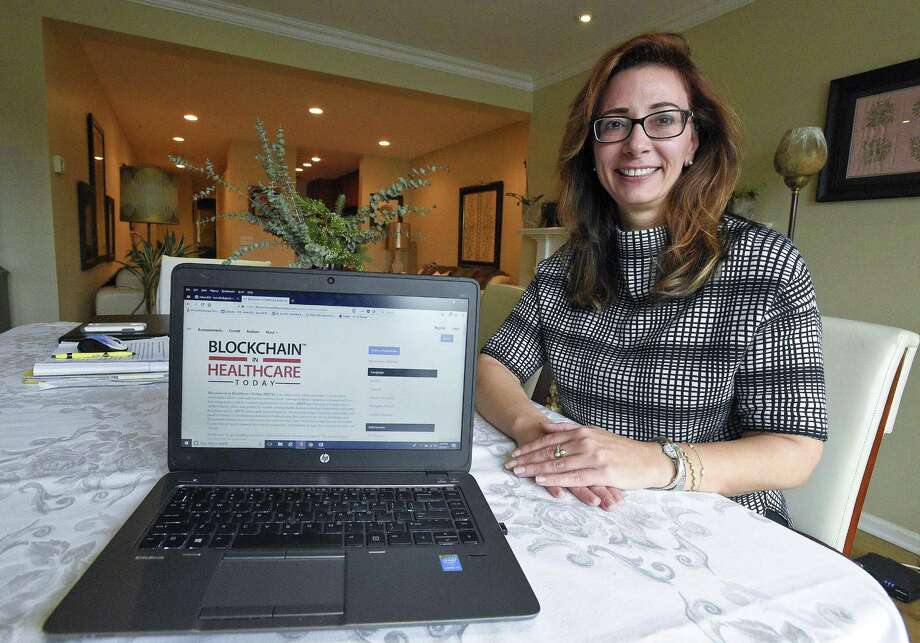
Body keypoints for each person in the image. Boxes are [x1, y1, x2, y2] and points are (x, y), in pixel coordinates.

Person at [476, 32, 827, 525]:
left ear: (693, 142)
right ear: (592, 148)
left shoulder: (765, 263)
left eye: (662, 119)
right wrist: (531, 428)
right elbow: (493, 367)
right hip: (590, 509)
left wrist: (653, 461)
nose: (636, 143)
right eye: (614, 124)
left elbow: (795, 450)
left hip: (714, 520)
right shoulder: (564, 266)